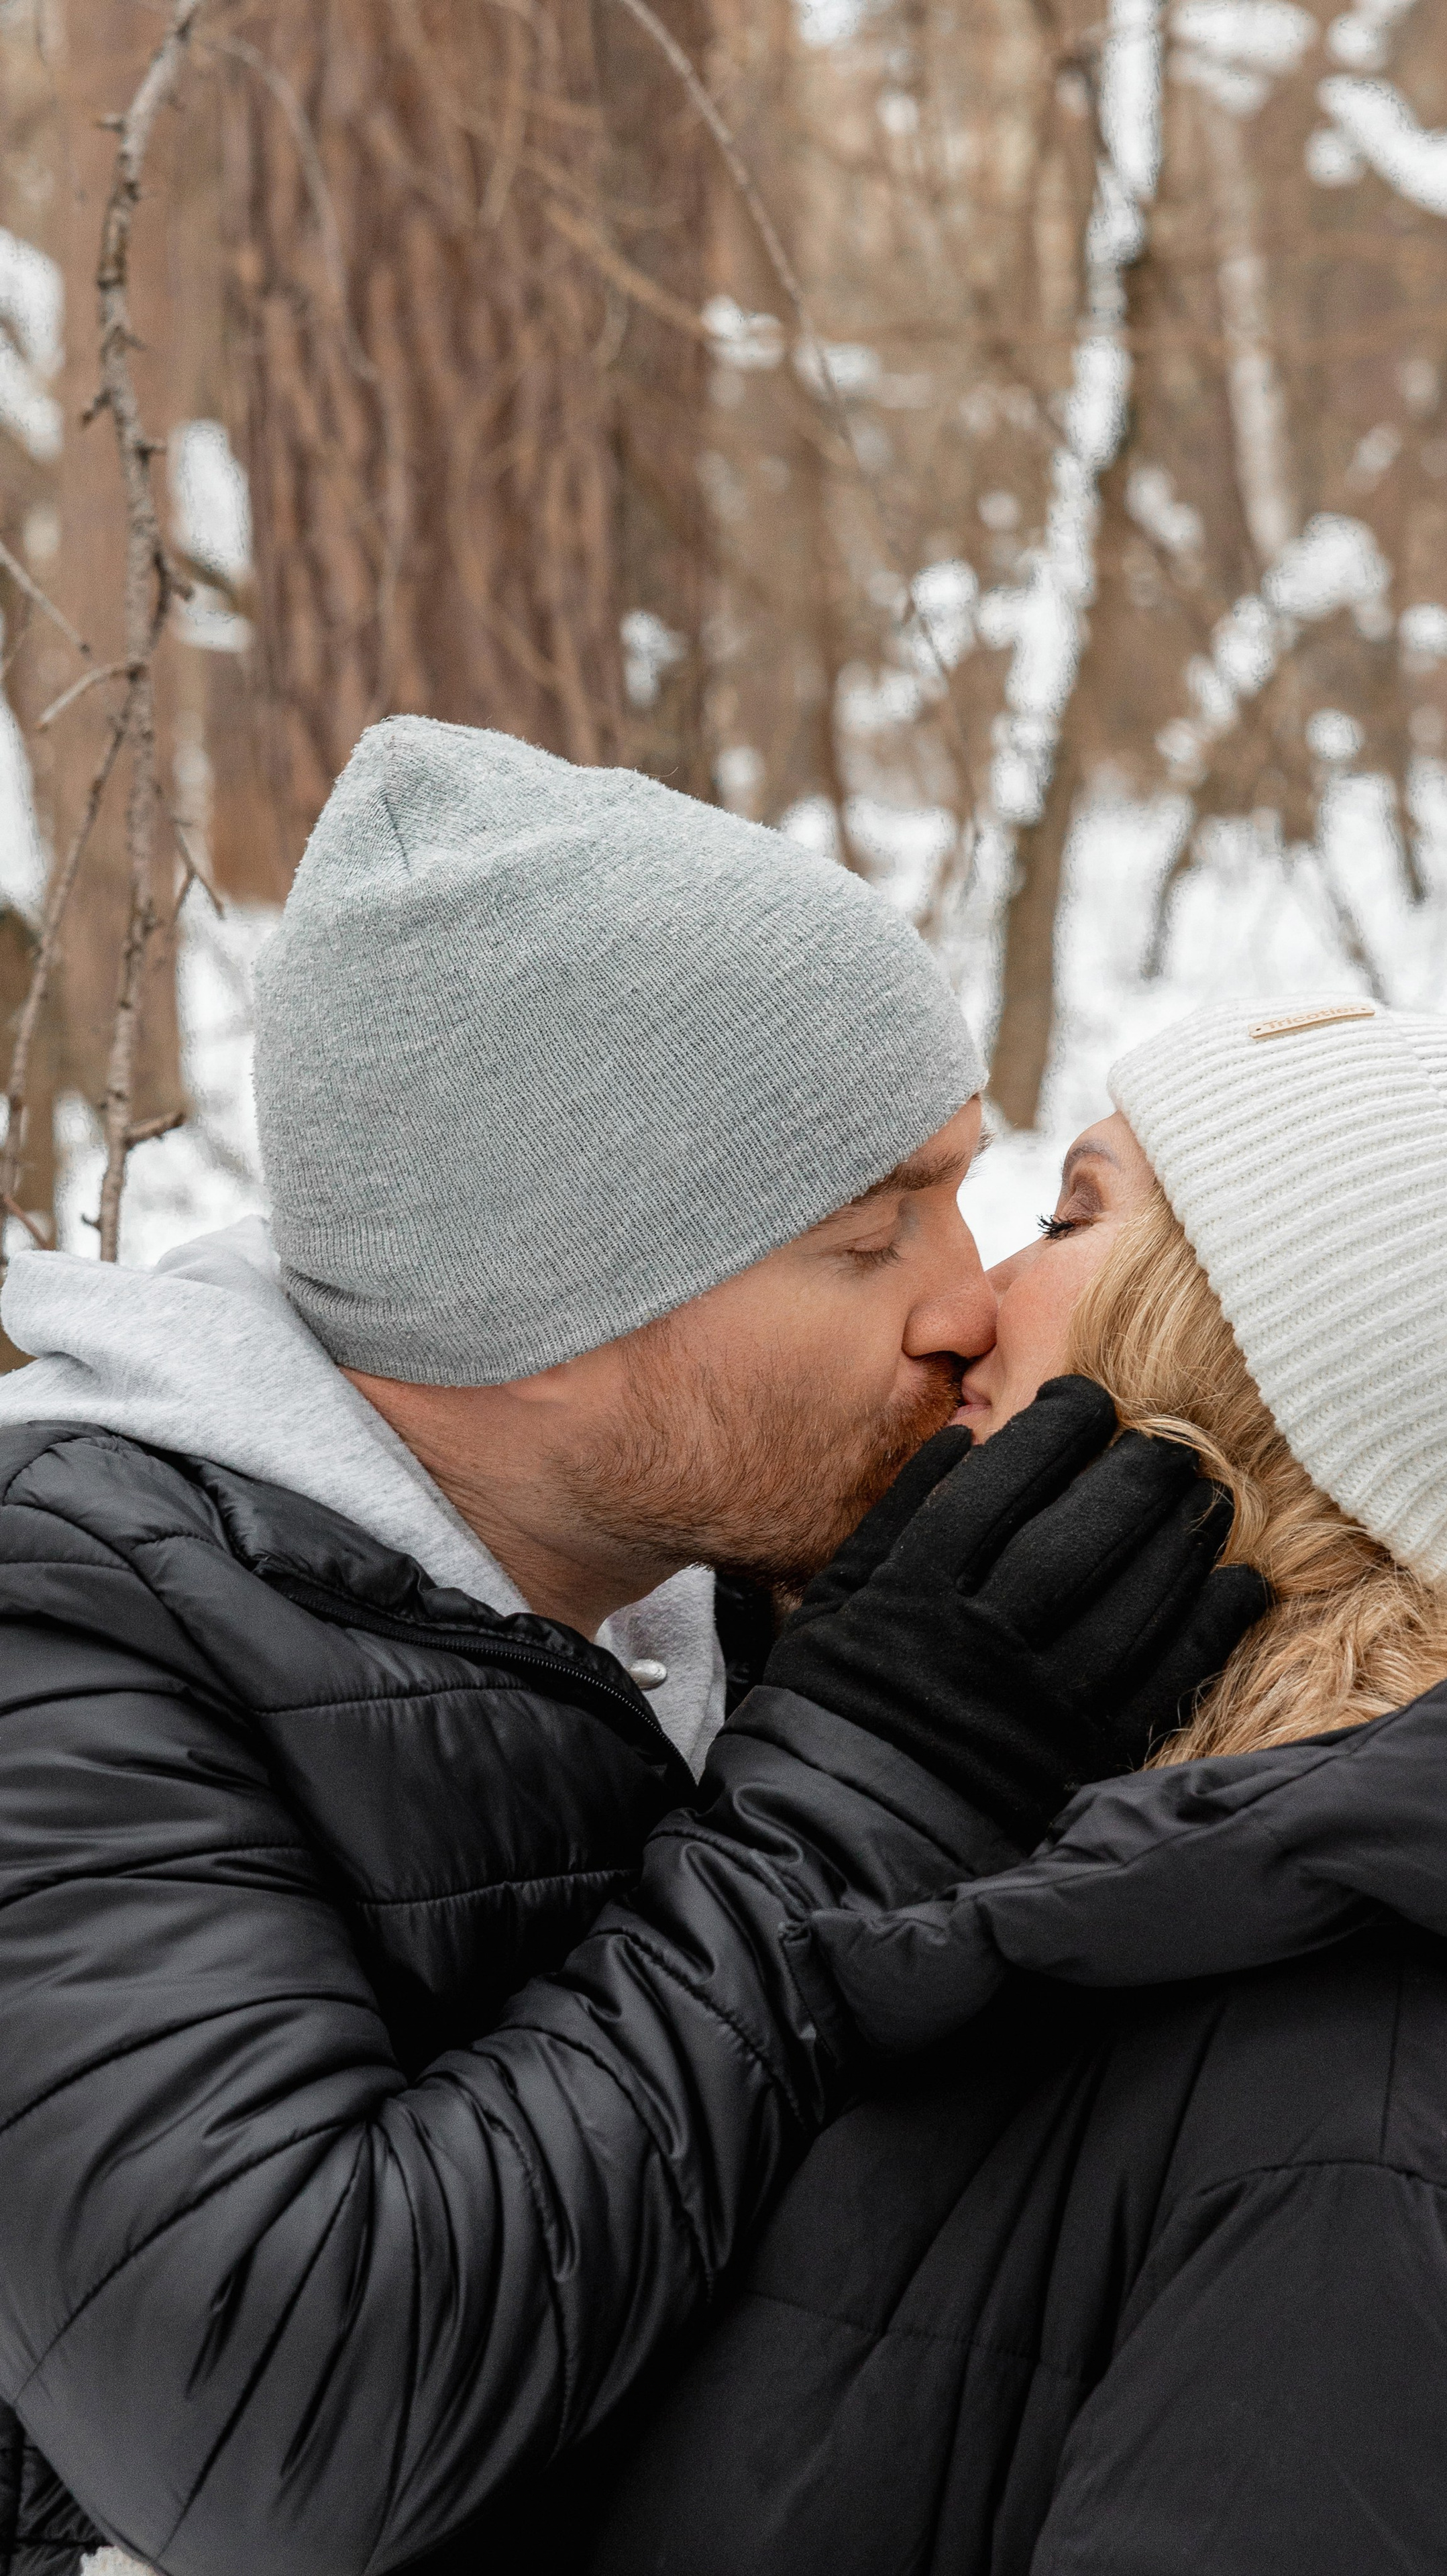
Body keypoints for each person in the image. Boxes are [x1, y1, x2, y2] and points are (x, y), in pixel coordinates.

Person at [0, 720, 1264, 2576]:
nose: (966, 1297)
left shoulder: (730, 1559)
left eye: (959, 1185)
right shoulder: (73, 1646)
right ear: (543, 1310)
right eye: (868, 1236)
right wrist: (866, 1800)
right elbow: (283, 2424)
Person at [592, 991, 1447, 2576]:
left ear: (1256, 1365)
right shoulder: (1133, 1884)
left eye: (1066, 1216)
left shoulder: (1385, 2132)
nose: (966, 1307)